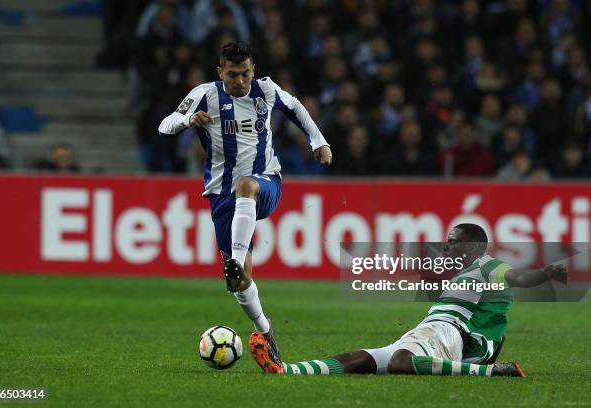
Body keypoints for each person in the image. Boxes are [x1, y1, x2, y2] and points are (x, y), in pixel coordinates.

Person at [158, 41, 332, 367]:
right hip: (222, 197)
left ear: (254, 70)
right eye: (233, 74)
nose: (240, 81)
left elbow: (296, 108)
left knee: (246, 185)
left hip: (265, 182)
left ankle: (235, 260)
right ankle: (265, 332)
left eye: (246, 74)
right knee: (242, 282)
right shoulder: (203, 94)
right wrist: (187, 120)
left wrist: (318, 140)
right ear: (220, 72)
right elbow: (164, 125)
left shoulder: (265, 90)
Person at [250, 223, 567, 377]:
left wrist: (548, 271)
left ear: (474, 247)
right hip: (429, 330)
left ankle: (494, 372)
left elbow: (521, 279)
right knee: (359, 359)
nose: (445, 246)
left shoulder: (488, 265)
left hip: (449, 333)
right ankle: (285, 369)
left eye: (452, 241)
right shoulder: (462, 274)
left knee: (401, 362)